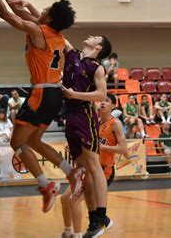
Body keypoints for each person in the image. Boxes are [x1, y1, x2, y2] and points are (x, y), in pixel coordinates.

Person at [0, 0, 79, 213]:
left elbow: (8, 15)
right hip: (55, 94)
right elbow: (20, 10)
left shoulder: (38, 31)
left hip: (42, 93)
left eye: (45, 10)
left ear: (49, 19)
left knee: (16, 143)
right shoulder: (56, 35)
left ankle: (46, 186)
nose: (40, 11)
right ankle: (71, 172)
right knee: (34, 140)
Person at [61, 35, 113, 237]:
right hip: (70, 117)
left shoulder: (97, 67)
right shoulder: (74, 57)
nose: (89, 36)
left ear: (98, 46)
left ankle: (102, 216)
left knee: (93, 165)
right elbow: (57, 34)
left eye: (95, 37)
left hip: (84, 116)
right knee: (85, 169)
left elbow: (101, 95)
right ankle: (93, 218)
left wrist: (75, 95)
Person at [60, 93, 129, 238]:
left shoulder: (115, 123)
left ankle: (81, 233)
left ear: (113, 106)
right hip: (88, 169)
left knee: (74, 201)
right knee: (65, 199)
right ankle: (67, 232)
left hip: (104, 170)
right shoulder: (94, 122)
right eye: (101, 101)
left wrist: (101, 147)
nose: (103, 103)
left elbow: (124, 149)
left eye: (107, 101)